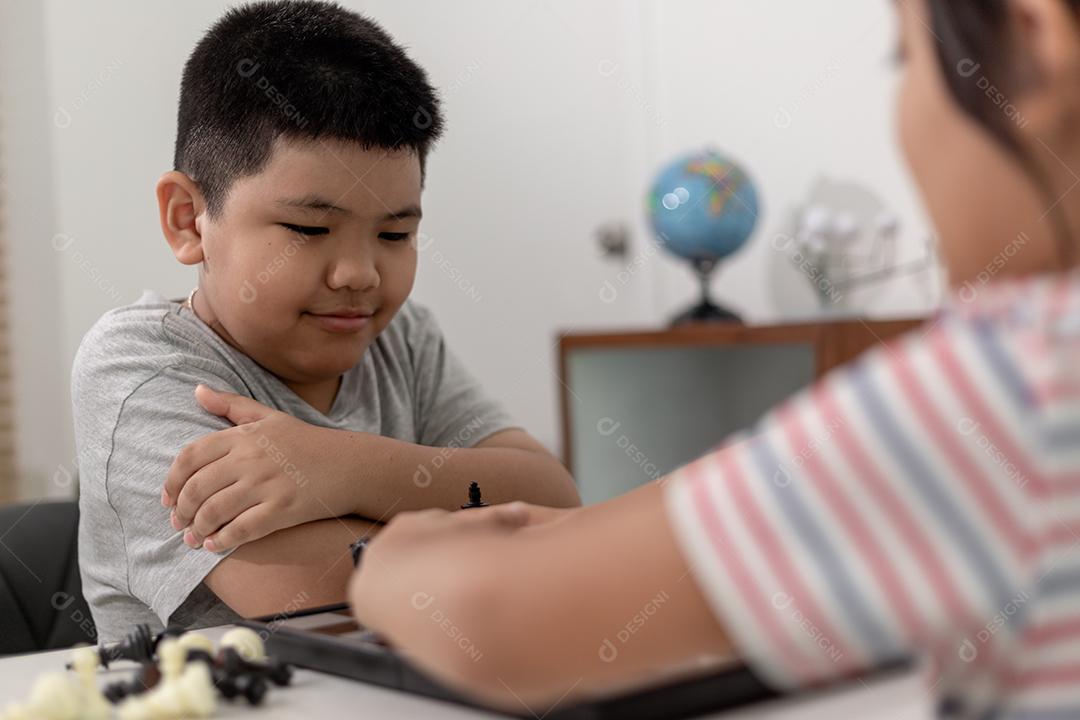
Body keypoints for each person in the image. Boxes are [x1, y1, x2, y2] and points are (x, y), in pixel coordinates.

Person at [349, 1, 1080, 716]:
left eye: (904, 56)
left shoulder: (1019, 375)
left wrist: (387, 563)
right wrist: (573, 533)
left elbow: (489, 621)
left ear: (1031, 35)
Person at [71, 0, 579, 644]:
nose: (359, 275)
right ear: (187, 218)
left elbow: (555, 497)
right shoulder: (140, 366)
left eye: (395, 233)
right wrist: (475, 509)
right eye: (309, 229)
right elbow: (301, 592)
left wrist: (344, 468)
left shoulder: (402, 340)